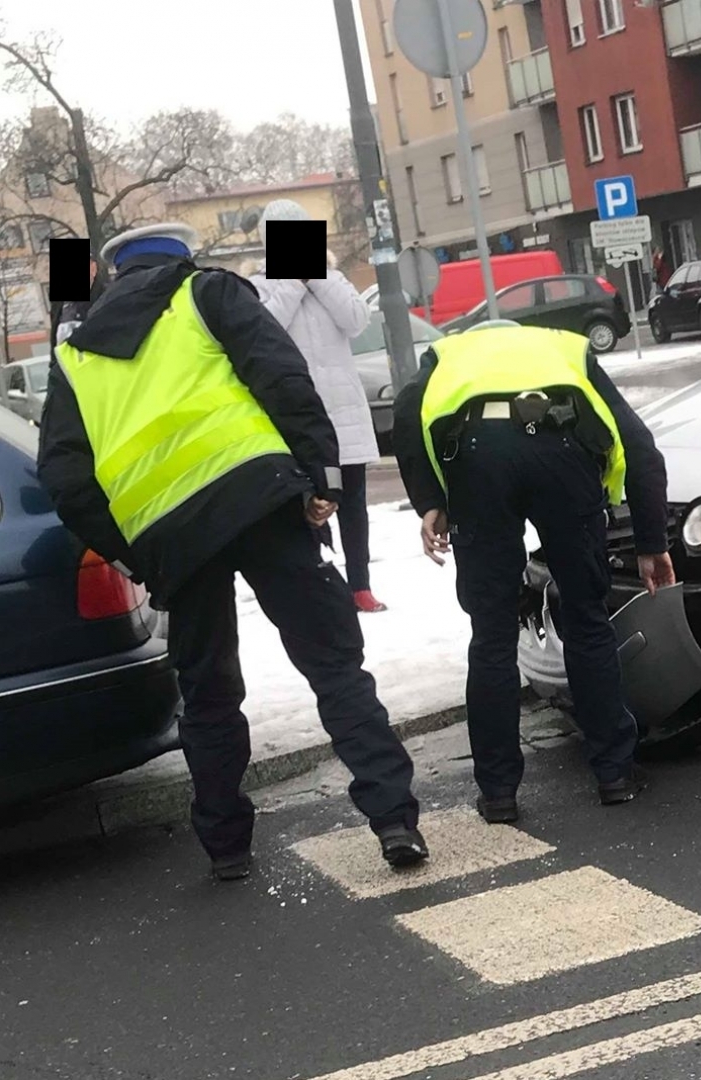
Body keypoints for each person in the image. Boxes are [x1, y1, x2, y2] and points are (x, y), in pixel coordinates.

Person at [39, 222, 427, 881]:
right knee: (333, 666)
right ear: (179, 256)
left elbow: (66, 480)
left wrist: (132, 552)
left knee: (208, 691)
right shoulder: (208, 292)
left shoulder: (75, 355)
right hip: (260, 500)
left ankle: (226, 848)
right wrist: (321, 476)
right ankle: (394, 821)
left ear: (112, 272)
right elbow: (281, 378)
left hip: (170, 537)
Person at [392, 321, 673, 818]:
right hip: (561, 453)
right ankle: (614, 774)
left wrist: (431, 500)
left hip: (477, 458)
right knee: (587, 618)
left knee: (493, 634)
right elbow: (639, 445)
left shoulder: (446, 353)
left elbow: (406, 417)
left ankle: (498, 793)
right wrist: (652, 543)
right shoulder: (566, 347)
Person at [246, 198, 386, 614]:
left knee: (353, 505)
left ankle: (360, 585)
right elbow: (265, 329)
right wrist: (293, 281)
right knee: (306, 506)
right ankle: (316, 588)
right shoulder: (260, 286)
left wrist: (319, 277)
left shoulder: (332, 277)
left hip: (345, 414)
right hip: (298, 418)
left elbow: (357, 320)